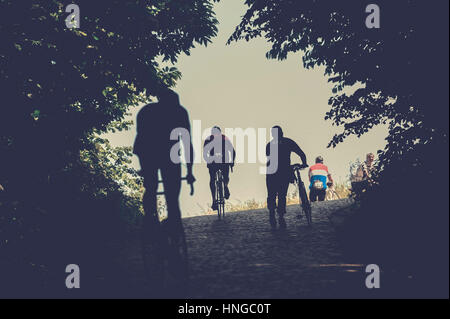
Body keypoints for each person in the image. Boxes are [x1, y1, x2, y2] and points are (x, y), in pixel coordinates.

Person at [133, 88, 195, 234]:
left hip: (148, 153)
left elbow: (140, 139)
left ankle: (150, 219)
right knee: (171, 193)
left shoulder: (146, 111)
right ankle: (169, 221)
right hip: (162, 154)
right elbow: (187, 144)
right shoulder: (180, 112)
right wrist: (190, 172)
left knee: (151, 187)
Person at [266, 126, 308, 229]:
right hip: (284, 172)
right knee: (281, 195)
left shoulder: (269, 145)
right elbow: (301, 153)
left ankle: (272, 213)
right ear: (282, 133)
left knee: (271, 194)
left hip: (271, 173)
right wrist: (304, 163)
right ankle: (281, 217)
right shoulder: (288, 142)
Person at [203, 126, 236, 210]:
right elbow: (232, 151)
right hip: (223, 161)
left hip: (213, 163)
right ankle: (225, 186)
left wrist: (208, 161)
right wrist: (232, 162)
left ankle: (214, 200)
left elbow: (205, 153)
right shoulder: (224, 138)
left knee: (212, 180)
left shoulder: (209, 139)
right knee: (226, 177)